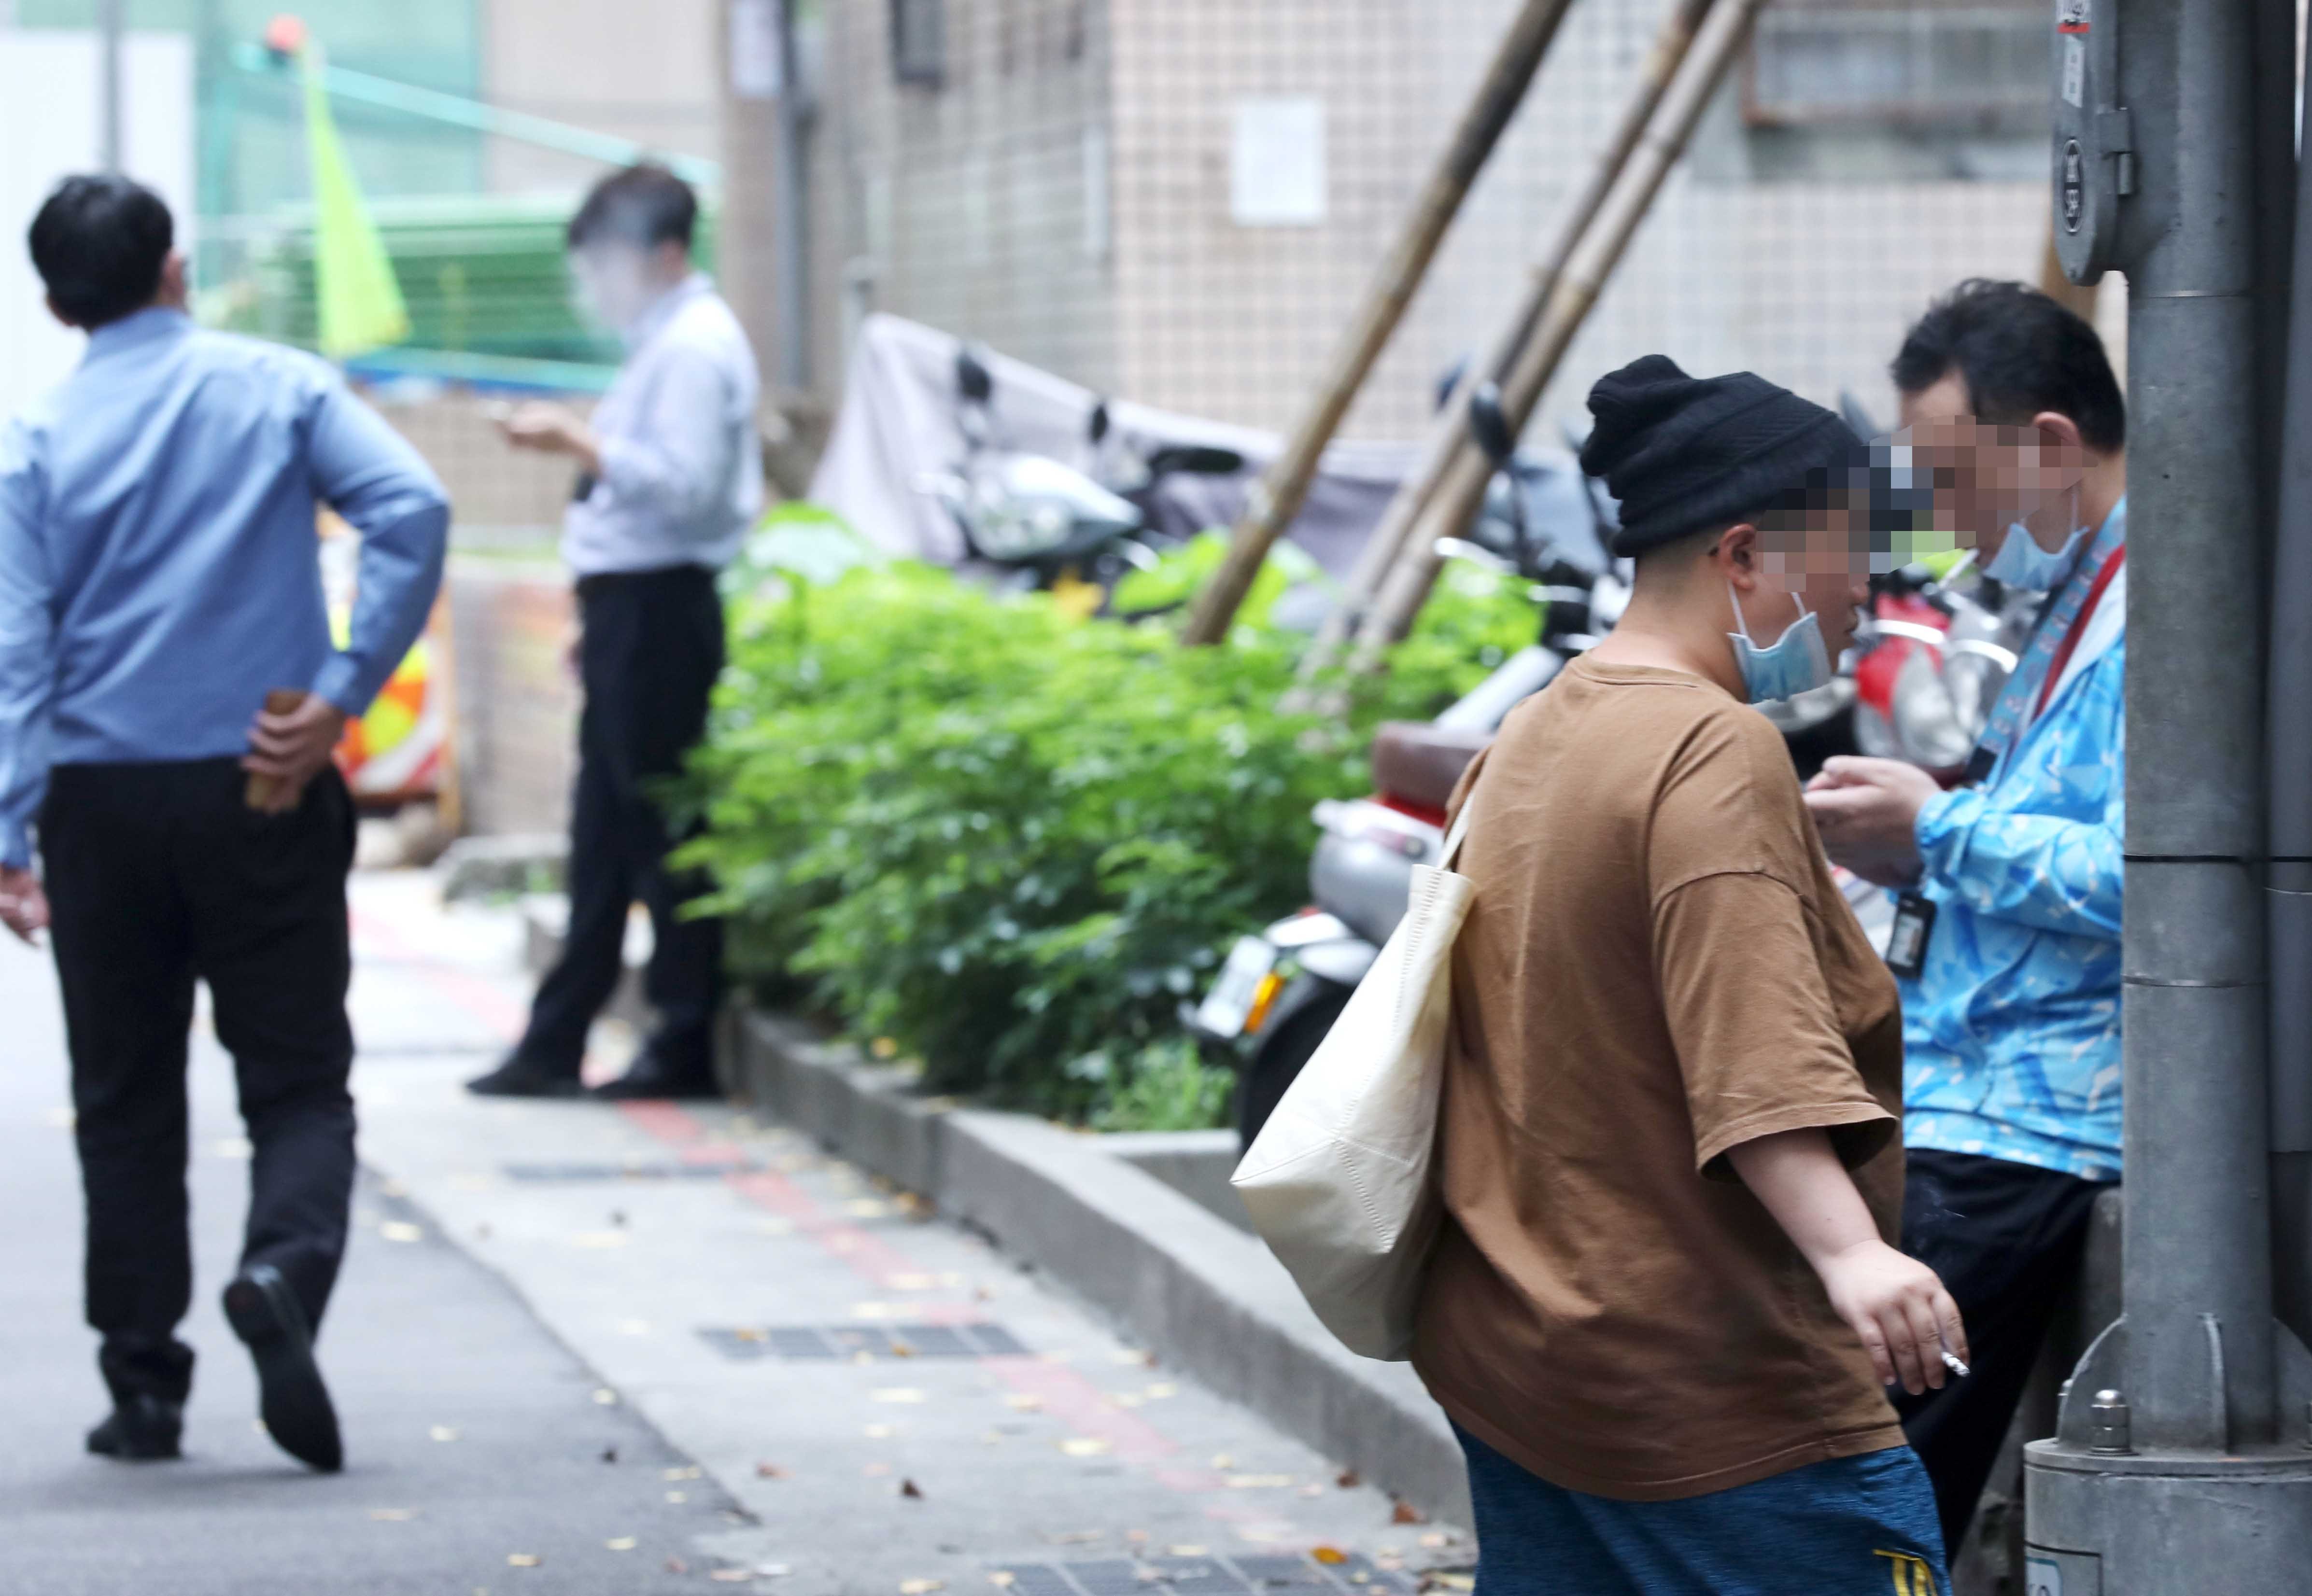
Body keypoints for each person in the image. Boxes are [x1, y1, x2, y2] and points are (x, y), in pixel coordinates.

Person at [1413, 354, 1965, 1595]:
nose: (1868, 598)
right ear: (1744, 557)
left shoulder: (1535, 731)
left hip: (1525, 1357)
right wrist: (1855, 1259)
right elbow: (1755, 1050)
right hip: (1713, 1388)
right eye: (1848, 558)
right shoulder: (1712, 749)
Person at [0, 176, 450, 1469]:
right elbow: (412, 508)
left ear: (52, 302)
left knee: (126, 1097)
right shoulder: (281, 386)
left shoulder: (35, 435)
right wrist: (341, 694)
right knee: (298, 1078)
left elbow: (19, 653)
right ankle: (285, 1270)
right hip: (265, 774)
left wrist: (11, 831)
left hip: (101, 806)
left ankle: (144, 1388)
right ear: (177, 270)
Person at [1805, 280, 2126, 1555]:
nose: (1944, 519)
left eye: (1952, 477)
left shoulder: (2168, 608)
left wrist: (1932, 834)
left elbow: (2163, 878)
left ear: (2047, 445)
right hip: (1949, 1085)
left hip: (2026, 1124)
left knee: (1862, 1470)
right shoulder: (2064, 600)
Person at [465, 163, 761, 1102]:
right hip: (632, 607)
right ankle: (559, 1038)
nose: (598, 282)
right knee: (604, 830)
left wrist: (576, 441)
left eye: (611, 259)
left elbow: (686, 487)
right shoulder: (667, 342)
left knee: (659, 826)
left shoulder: (693, 348)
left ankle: (680, 1039)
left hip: (661, 605)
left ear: (665, 253)